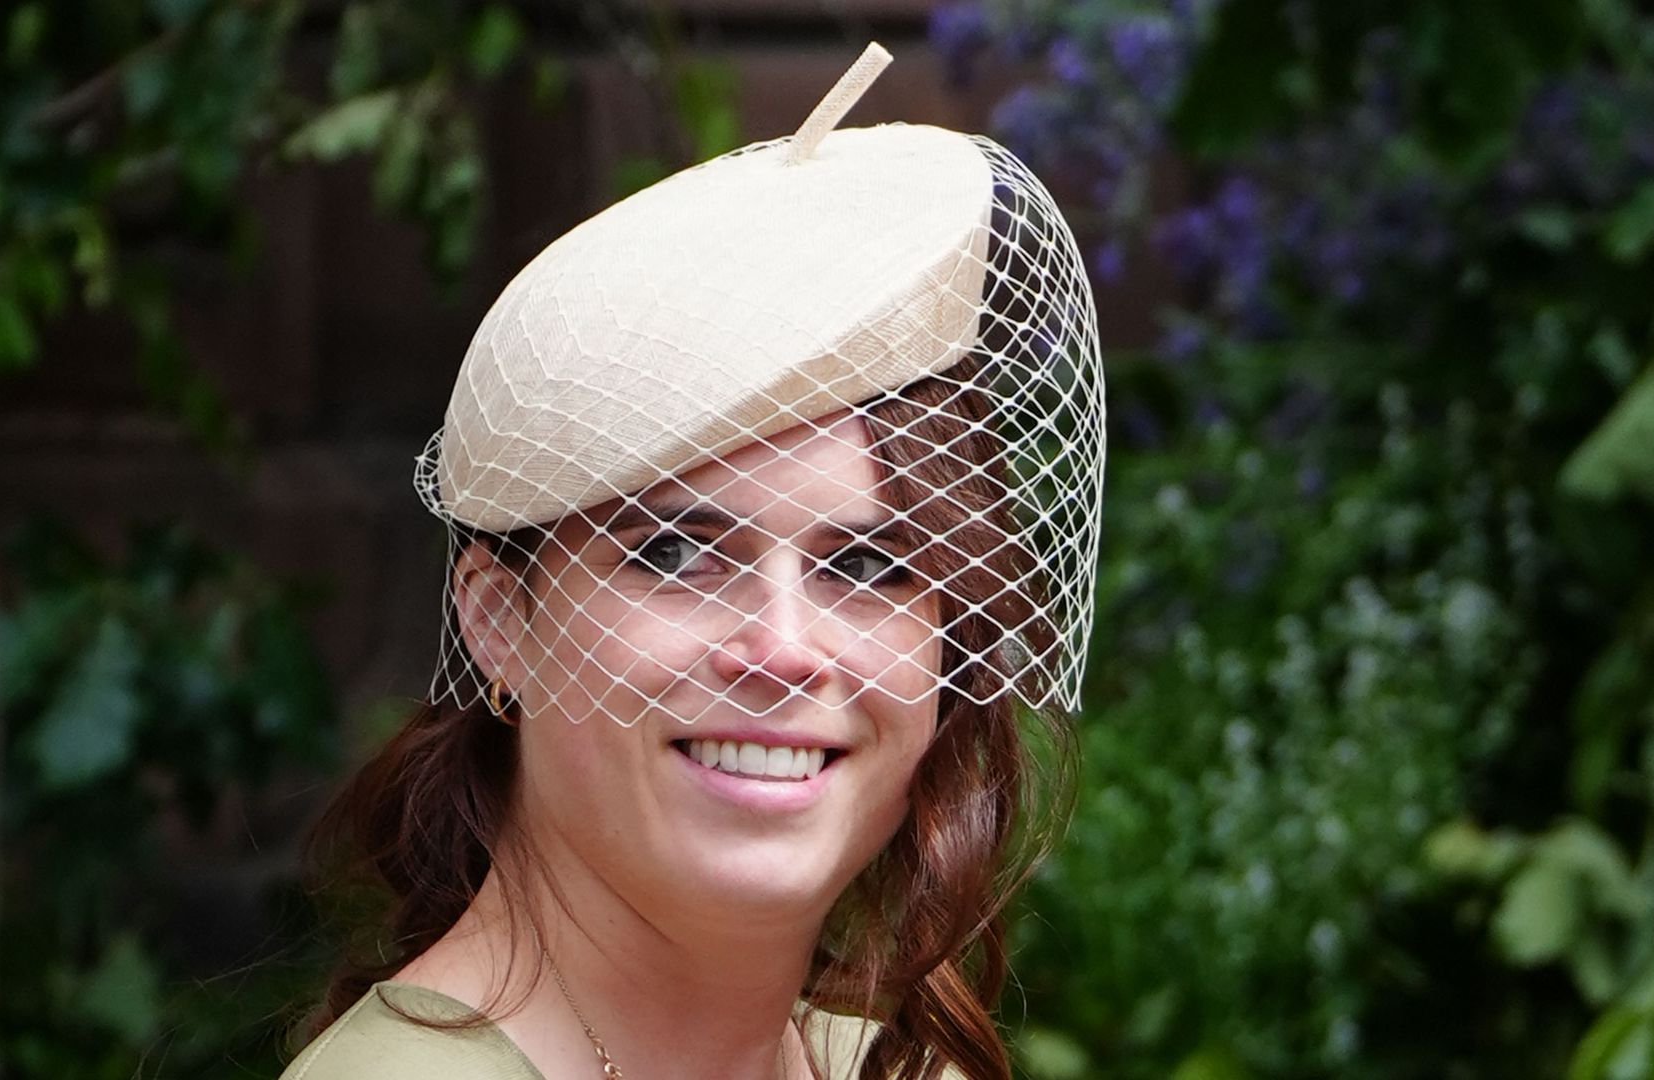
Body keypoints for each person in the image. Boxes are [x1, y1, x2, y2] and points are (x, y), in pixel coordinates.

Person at [281, 43, 1103, 1080]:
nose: (784, 647)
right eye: (676, 552)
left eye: (866, 564)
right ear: (498, 622)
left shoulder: (885, 1066)